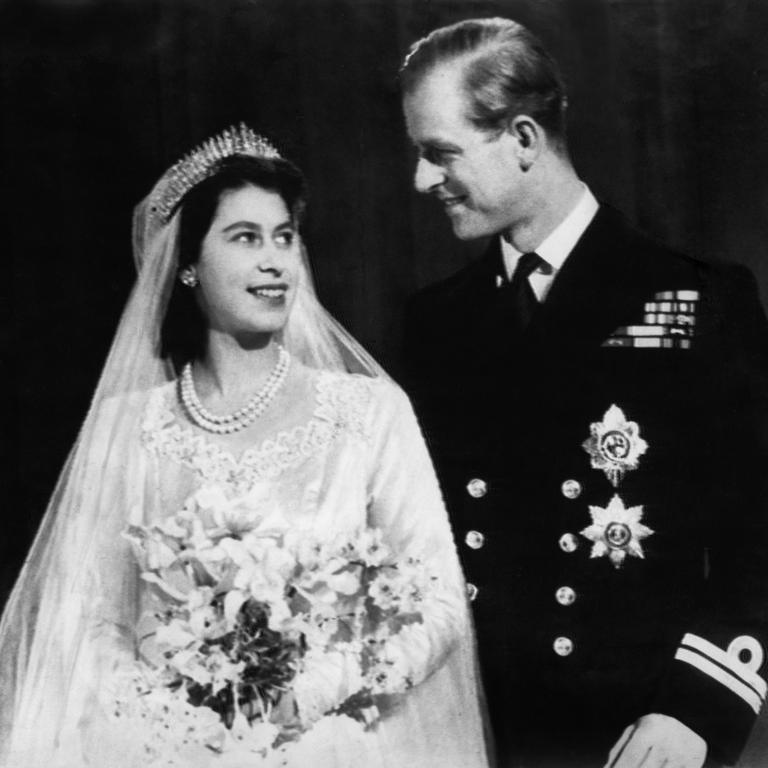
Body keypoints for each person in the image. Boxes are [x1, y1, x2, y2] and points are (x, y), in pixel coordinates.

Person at [0, 125, 490, 767]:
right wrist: (170, 717)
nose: (275, 261)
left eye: (285, 237)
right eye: (245, 238)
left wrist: (312, 692)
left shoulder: (369, 413)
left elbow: (440, 604)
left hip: (333, 745)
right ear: (187, 266)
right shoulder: (126, 429)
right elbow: (84, 620)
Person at [400, 17, 768, 768]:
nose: (421, 181)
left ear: (525, 140)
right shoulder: (435, 323)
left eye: (441, 154)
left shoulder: (692, 300)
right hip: (472, 731)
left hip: (639, 732)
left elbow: (758, 532)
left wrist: (698, 709)